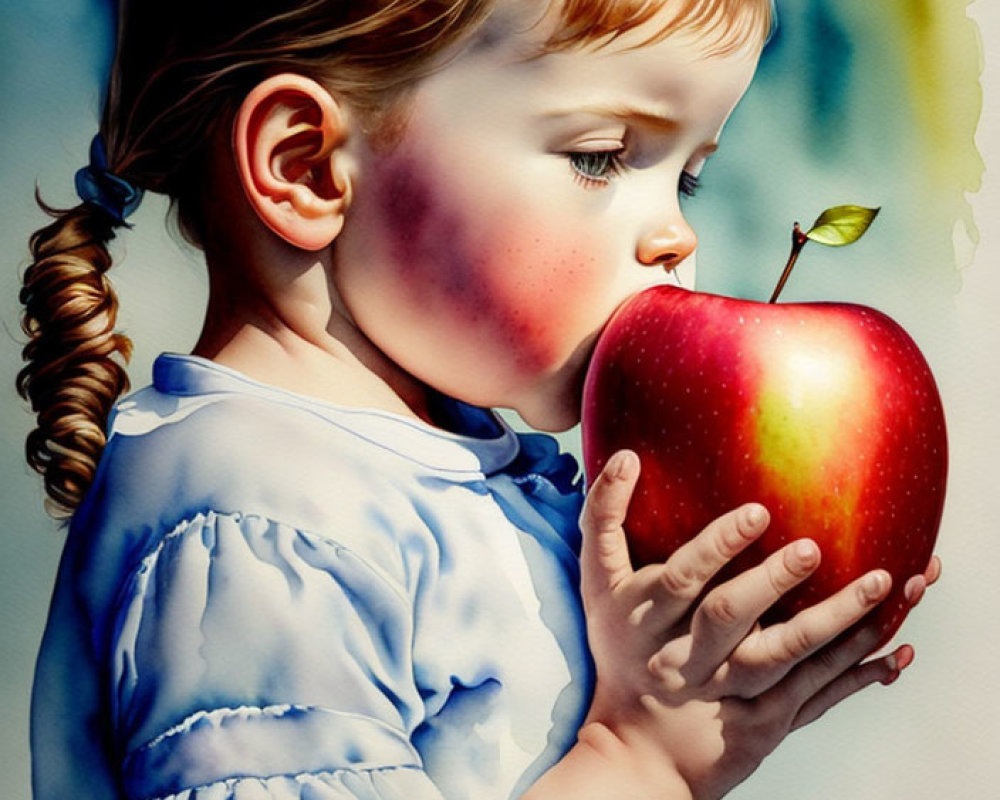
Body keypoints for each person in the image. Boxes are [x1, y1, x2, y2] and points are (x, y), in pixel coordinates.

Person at [18, 1, 941, 798]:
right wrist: (641, 759)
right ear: (307, 165)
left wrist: (698, 682)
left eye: (685, 174)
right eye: (602, 156)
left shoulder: (419, 478)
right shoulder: (261, 526)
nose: (676, 234)